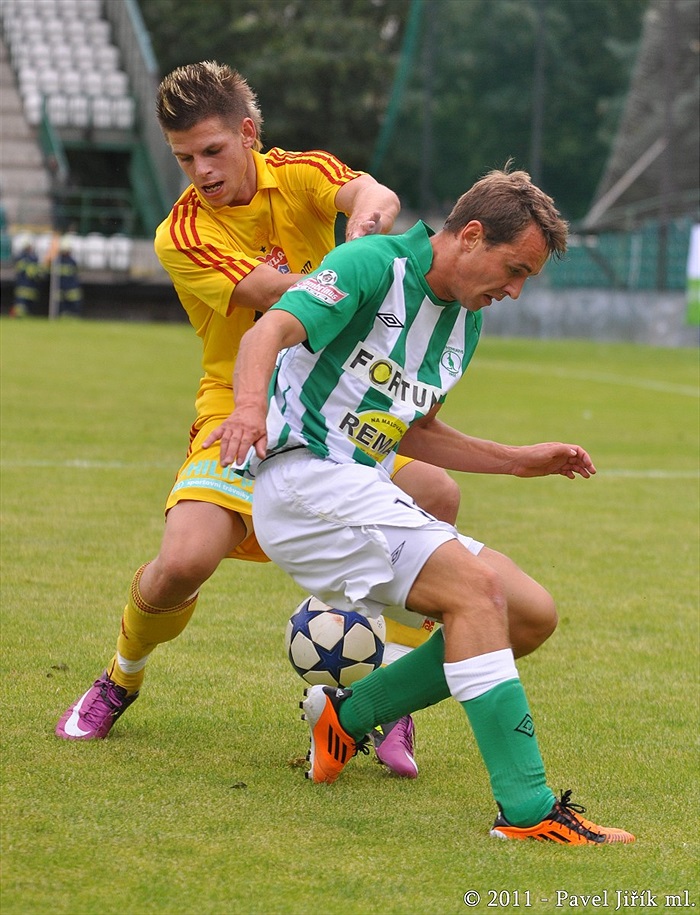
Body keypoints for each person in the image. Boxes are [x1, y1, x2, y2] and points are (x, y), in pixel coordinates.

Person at [55, 61, 490, 778]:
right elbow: (270, 289)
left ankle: (389, 705)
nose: (199, 169)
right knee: (183, 561)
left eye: (212, 151)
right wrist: (359, 272)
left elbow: (374, 193)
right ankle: (120, 675)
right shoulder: (183, 232)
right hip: (240, 406)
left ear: (248, 133)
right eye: (184, 158)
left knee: (438, 494)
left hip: (336, 412)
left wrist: (368, 220)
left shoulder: (299, 172)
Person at [207, 165, 636, 844]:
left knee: (529, 615)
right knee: (476, 589)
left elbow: (419, 430)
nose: (516, 291)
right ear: (470, 235)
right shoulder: (371, 265)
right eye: (514, 268)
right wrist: (251, 409)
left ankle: (344, 721)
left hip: (364, 489)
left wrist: (517, 458)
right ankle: (527, 810)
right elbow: (268, 333)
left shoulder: (466, 324)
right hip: (303, 480)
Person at [10, 233, 42, 317]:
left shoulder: (29, 257)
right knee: (21, 302)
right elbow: (26, 270)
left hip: (28, 283)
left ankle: (25, 314)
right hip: (24, 283)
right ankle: (19, 315)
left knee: (28, 301)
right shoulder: (24, 257)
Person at [55, 236, 83, 317]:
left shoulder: (69, 261)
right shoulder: (58, 261)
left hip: (70, 287)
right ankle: (64, 315)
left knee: (74, 303)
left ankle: (72, 315)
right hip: (62, 287)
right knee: (61, 304)